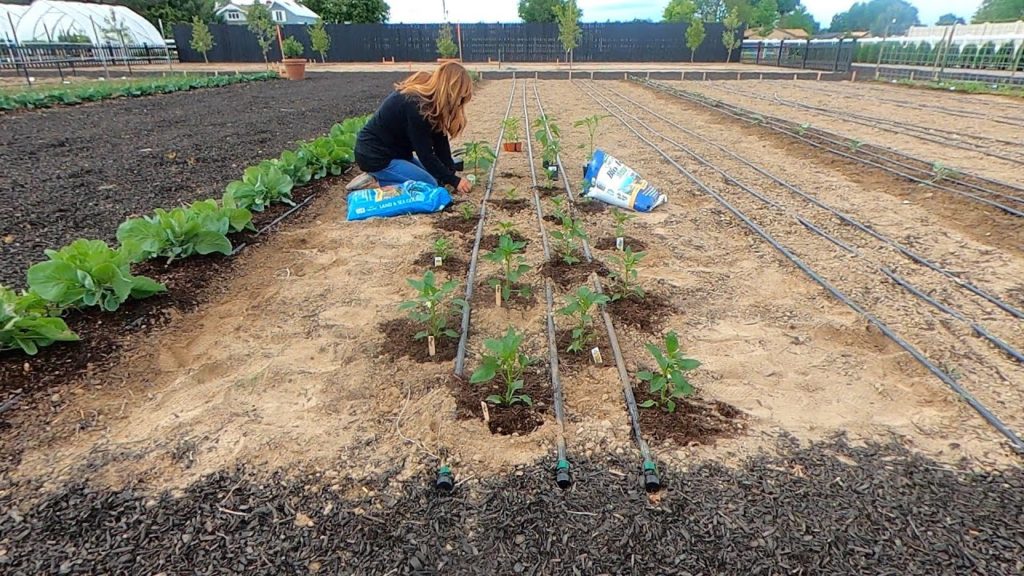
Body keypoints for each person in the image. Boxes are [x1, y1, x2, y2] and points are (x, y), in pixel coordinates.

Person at [354, 63, 474, 193]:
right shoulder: (416, 105)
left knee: (437, 178)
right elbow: (426, 154)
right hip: (375, 157)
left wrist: (451, 173)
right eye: (460, 98)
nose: (459, 103)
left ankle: (388, 176)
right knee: (430, 186)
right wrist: (454, 181)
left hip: (397, 154)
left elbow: (440, 142)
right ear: (451, 92)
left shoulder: (432, 104)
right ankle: (378, 180)